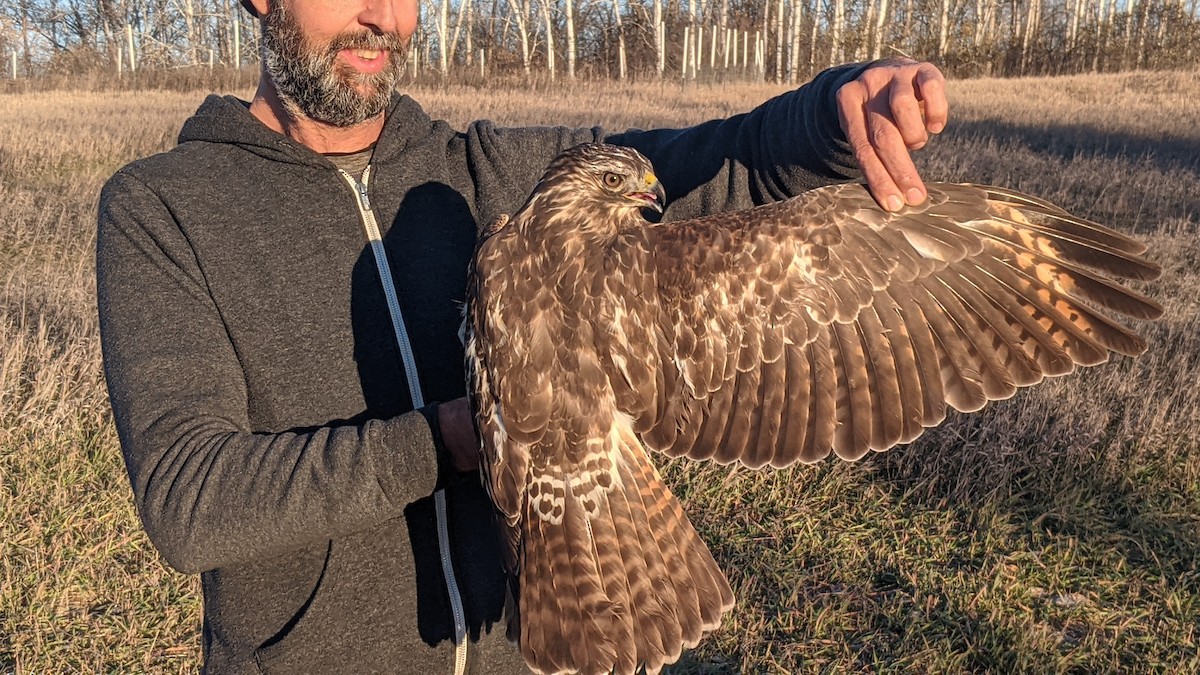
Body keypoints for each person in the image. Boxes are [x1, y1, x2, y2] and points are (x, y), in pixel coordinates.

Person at [95, 0, 947, 670]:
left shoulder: (500, 177)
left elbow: (720, 166)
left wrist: (837, 110)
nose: (383, 17)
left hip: (525, 647)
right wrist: (453, 437)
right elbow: (188, 500)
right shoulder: (164, 208)